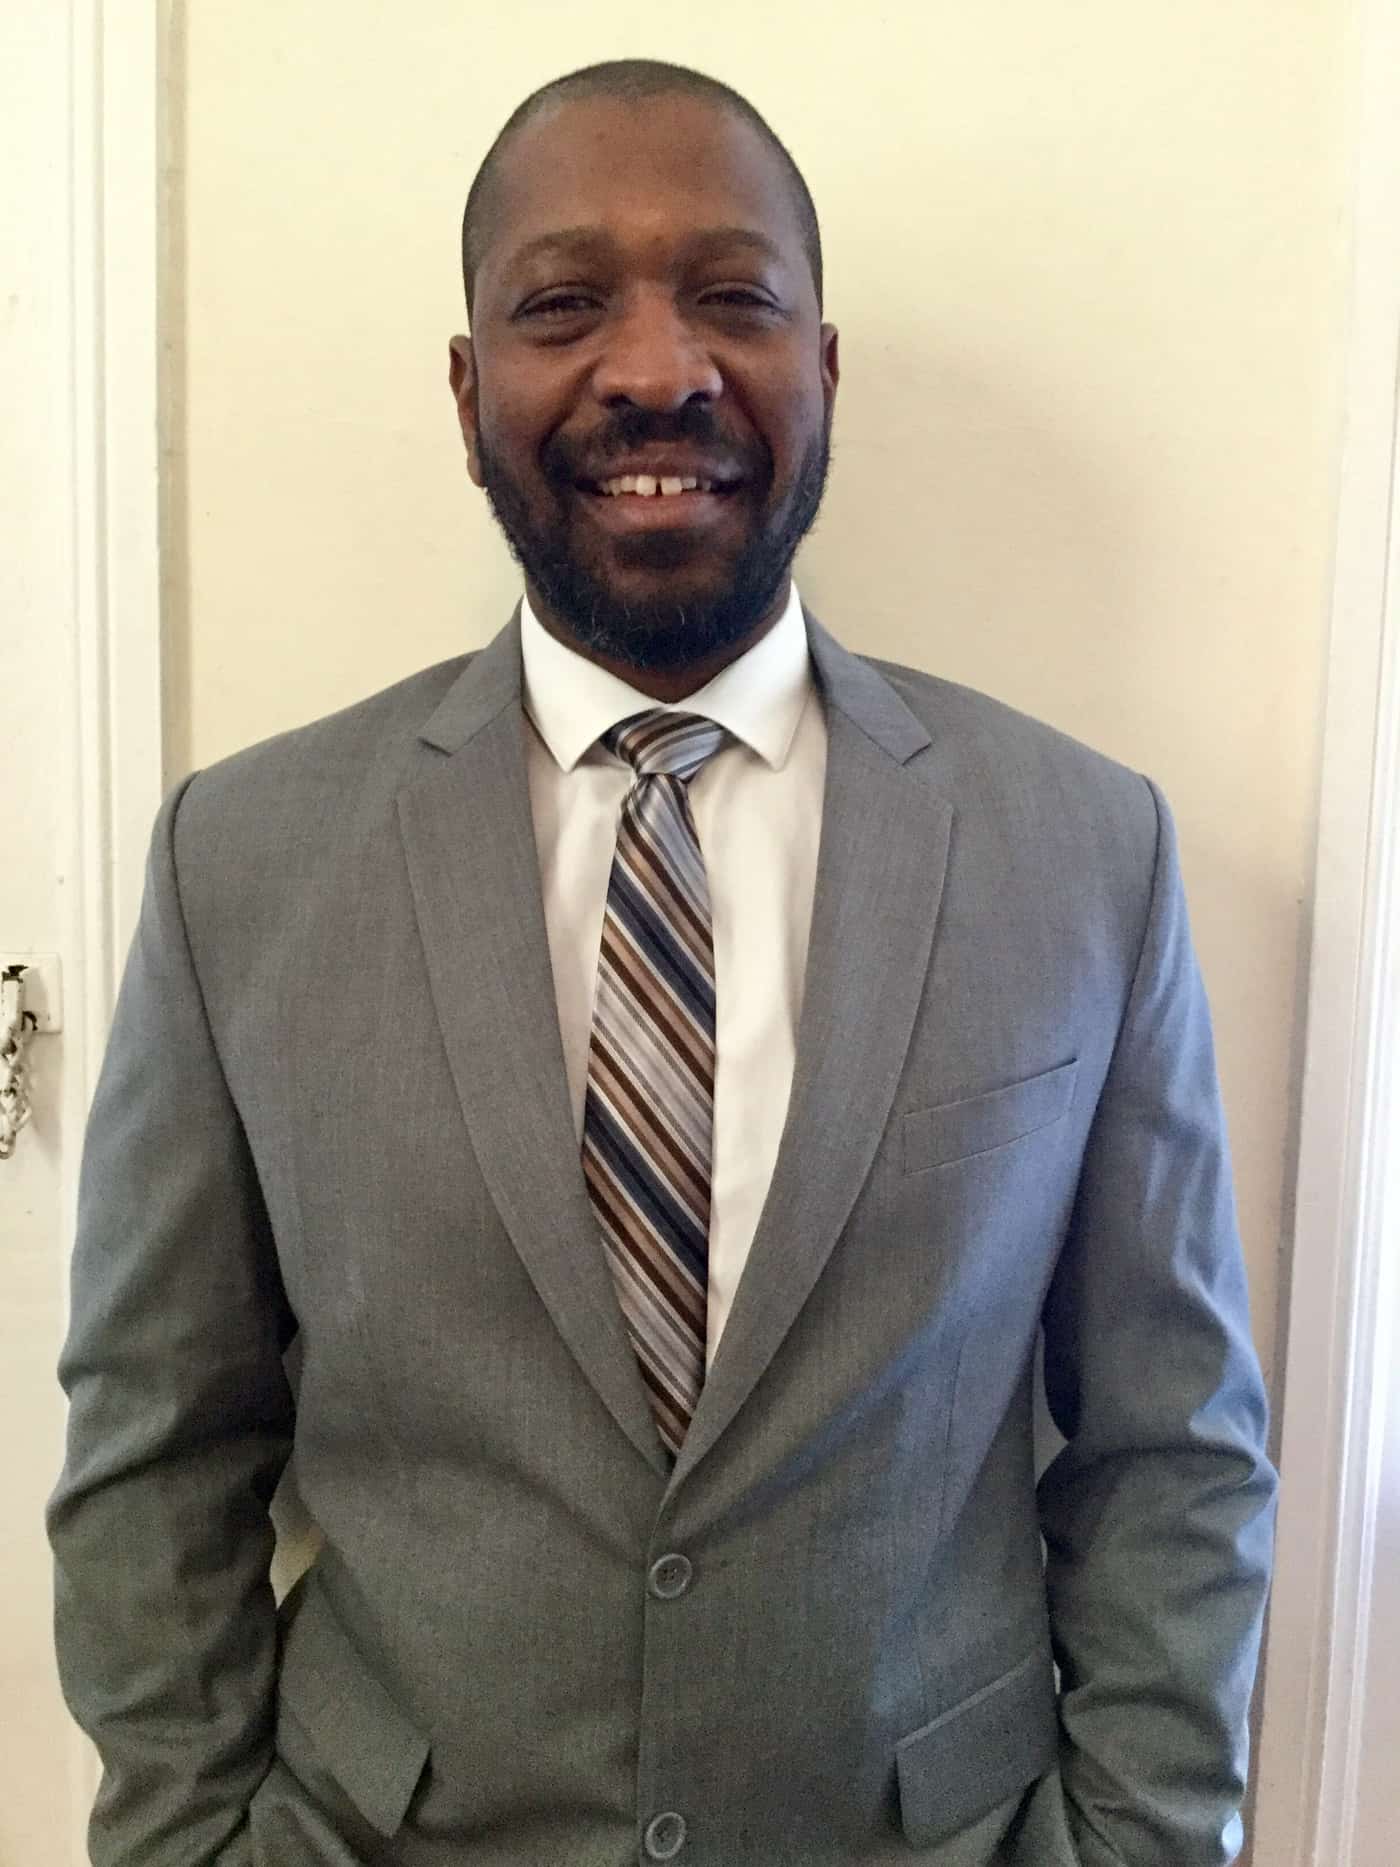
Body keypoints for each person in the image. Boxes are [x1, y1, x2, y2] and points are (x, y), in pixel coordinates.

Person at [48, 57, 1277, 1867]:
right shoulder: (242, 863)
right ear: (468, 392)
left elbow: (1176, 1447)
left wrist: (1149, 1839)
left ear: (825, 369)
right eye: (563, 306)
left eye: (731, 296)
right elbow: (159, 1447)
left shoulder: (1085, 850)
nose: (653, 368)